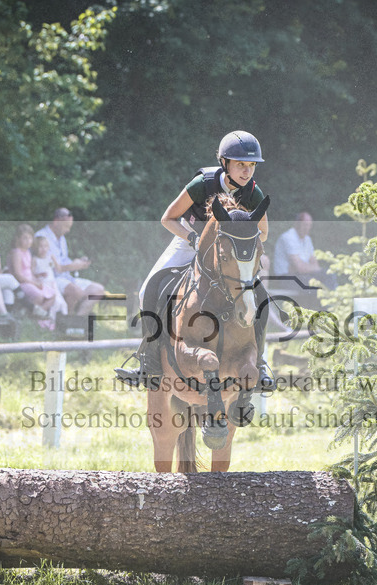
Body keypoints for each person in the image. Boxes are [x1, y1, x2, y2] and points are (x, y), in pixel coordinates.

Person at [115, 130, 275, 391]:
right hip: (189, 241)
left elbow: (264, 233)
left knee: (261, 298)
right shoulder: (202, 184)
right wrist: (192, 238)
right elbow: (168, 218)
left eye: (251, 166)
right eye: (240, 165)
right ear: (225, 163)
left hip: (227, 251)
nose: (247, 172)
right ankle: (149, 362)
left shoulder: (253, 193)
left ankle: (260, 362)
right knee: (148, 289)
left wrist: (242, 236)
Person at [35, 208, 106, 318]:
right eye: (66, 227)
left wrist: (77, 262)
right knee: (75, 291)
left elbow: (64, 260)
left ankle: (76, 321)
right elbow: (53, 267)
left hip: (66, 277)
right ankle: (65, 321)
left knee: (98, 290)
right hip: (51, 279)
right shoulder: (41, 238)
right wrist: (73, 266)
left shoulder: (61, 238)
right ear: (56, 222)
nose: (68, 230)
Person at [9, 224, 62, 330]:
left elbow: (29, 272)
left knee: (52, 295)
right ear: (18, 238)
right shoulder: (16, 253)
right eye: (25, 238)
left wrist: (37, 277)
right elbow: (18, 275)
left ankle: (31, 315)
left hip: (30, 281)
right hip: (21, 283)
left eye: (30, 238)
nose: (28, 241)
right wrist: (34, 283)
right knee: (39, 295)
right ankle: (32, 316)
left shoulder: (27, 252)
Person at [272, 211, 337, 290]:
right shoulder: (288, 237)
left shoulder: (307, 239)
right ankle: (327, 300)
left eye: (309, 225)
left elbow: (315, 264)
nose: (307, 228)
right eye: (305, 225)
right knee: (316, 283)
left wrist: (305, 267)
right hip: (286, 278)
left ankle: (333, 300)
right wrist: (306, 267)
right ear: (297, 224)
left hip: (301, 275)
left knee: (329, 274)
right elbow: (300, 268)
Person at [31, 235, 68, 329]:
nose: (43, 249)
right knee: (52, 303)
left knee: (61, 303)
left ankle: (60, 324)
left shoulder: (50, 256)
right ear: (36, 248)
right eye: (40, 247)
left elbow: (58, 268)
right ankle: (46, 323)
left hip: (52, 284)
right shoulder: (35, 259)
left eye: (45, 246)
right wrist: (38, 276)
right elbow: (31, 274)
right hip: (42, 284)